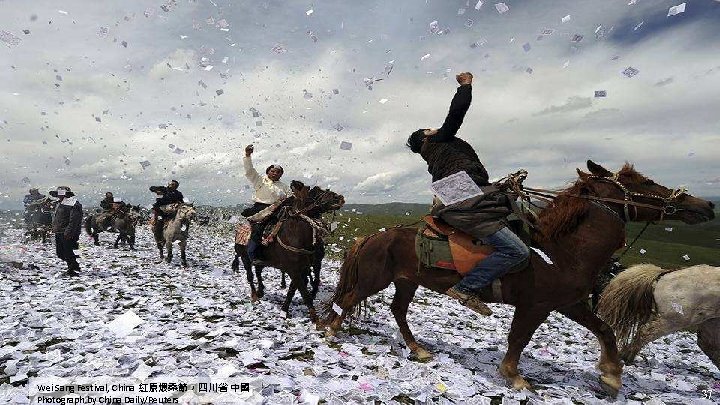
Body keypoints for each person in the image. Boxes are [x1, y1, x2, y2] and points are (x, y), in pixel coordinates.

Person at [406, 71, 529, 316]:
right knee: (517, 250)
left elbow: (469, 184)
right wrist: (465, 86)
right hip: (462, 198)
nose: (435, 127)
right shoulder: (440, 141)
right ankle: (467, 287)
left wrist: (502, 186)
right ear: (427, 137)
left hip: (462, 194)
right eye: (430, 128)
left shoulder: (437, 155)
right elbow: (456, 114)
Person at [242, 144, 291, 265]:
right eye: (272, 171)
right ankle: (253, 254)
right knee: (258, 229)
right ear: (268, 172)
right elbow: (249, 171)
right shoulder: (260, 180)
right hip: (261, 209)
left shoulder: (284, 186)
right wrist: (248, 155)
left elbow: (290, 198)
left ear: (281, 175)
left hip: (278, 210)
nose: (275, 173)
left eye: (278, 172)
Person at [49, 186, 83, 276]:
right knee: (60, 253)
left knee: (67, 251)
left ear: (67, 194)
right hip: (59, 231)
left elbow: (74, 220)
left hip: (68, 232)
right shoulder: (59, 203)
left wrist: (69, 232)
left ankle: (72, 269)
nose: (59, 196)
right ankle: (74, 265)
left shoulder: (73, 204)